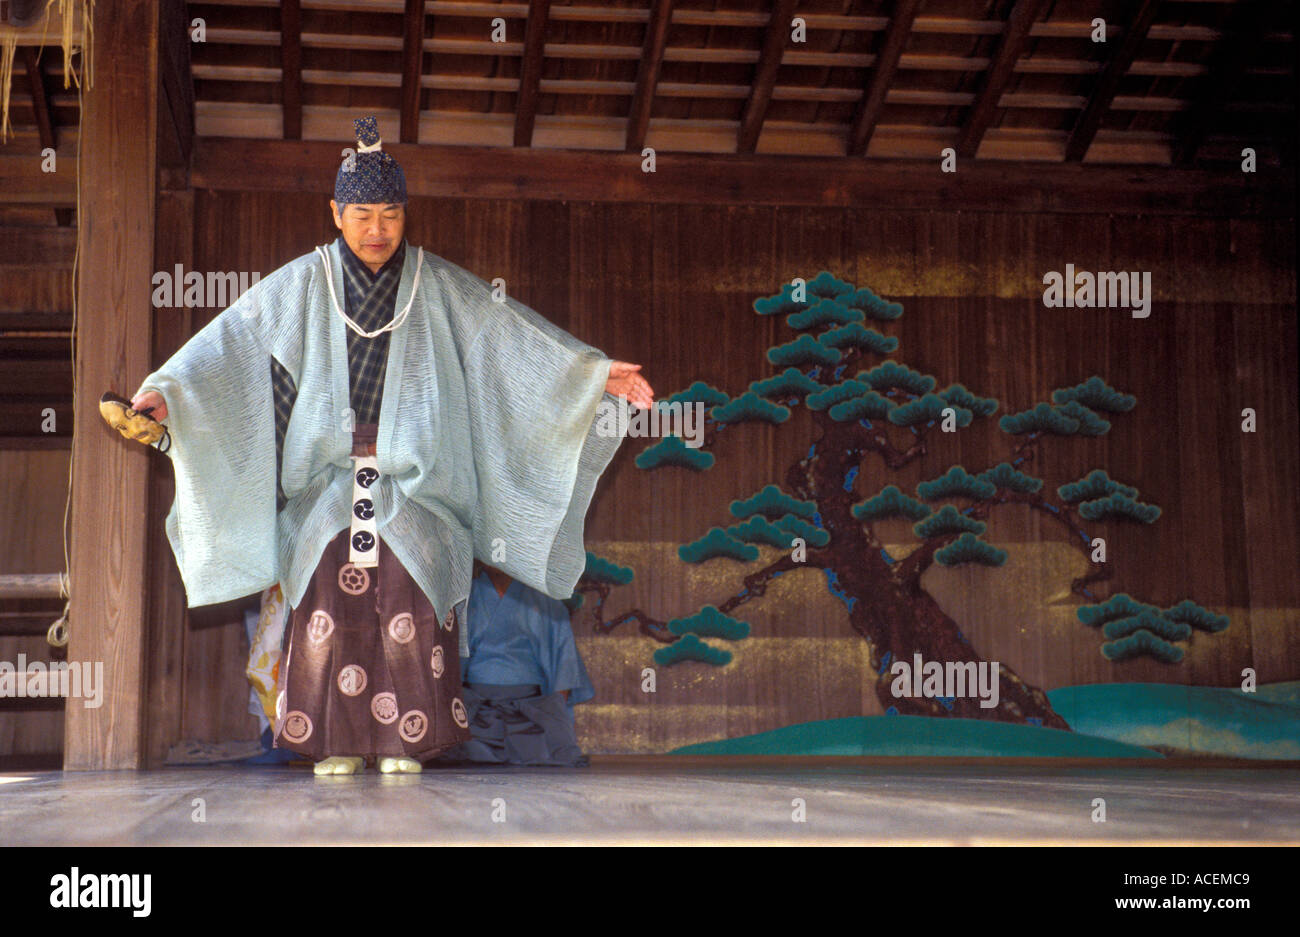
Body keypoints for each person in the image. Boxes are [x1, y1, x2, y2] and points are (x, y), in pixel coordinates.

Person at [130, 116, 653, 775]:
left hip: (416, 480)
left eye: (390, 215)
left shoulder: (435, 283)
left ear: (406, 215)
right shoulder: (304, 281)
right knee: (329, 603)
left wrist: (589, 372)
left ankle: (407, 738)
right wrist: (168, 392)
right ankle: (336, 739)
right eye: (362, 214)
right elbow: (232, 338)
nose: (377, 230)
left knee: (411, 599)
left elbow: (506, 337)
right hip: (328, 481)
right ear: (336, 214)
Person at [439, 562, 596, 766]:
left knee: (550, 747)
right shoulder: (463, 598)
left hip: (530, 708)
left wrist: (554, 712)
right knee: (457, 745)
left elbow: (562, 663)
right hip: (476, 708)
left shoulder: (545, 601)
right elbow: (450, 665)